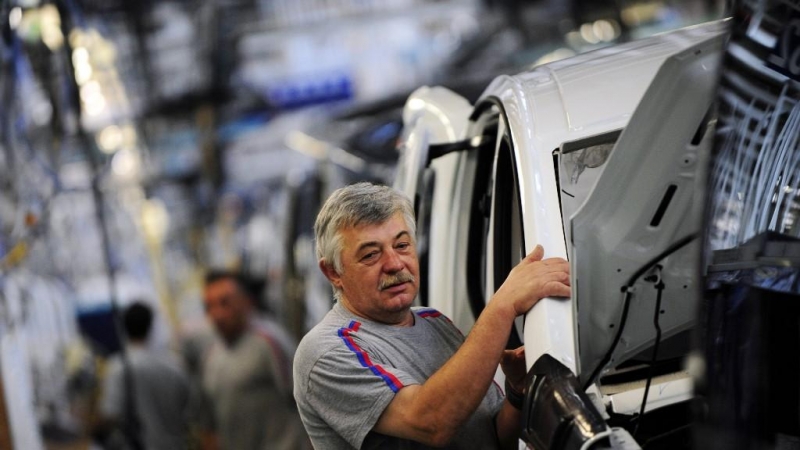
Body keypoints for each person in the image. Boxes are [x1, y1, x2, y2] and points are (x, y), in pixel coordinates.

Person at [293, 182, 571, 449]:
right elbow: (432, 422)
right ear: (333, 272)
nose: (394, 263)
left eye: (402, 245)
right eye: (370, 255)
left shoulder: (434, 322)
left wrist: (518, 392)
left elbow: (494, 437)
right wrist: (503, 305)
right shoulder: (324, 351)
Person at [200, 270, 309, 450]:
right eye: (209, 306)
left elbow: (306, 402)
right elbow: (210, 423)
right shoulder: (211, 356)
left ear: (246, 302)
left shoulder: (269, 342)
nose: (216, 314)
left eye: (224, 303)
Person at [98, 301, 191, 450]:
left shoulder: (119, 367)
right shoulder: (175, 365)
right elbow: (190, 410)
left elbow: (111, 415)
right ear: (151, 325)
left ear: (124, 327)